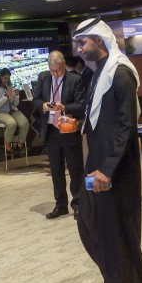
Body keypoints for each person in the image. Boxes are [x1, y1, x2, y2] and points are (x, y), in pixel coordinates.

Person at [73, 18, 142, 283]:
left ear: (100, 40)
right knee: (92, 224)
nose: (79, 49)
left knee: (113, 229)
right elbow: (94, 114)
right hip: (98, 162)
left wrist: (107, 170)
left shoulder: (120, 74)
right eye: (77, 43)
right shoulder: (96, 74)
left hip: (115, 168)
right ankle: (119, 280)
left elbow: (126, 128)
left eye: (83, 43)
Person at [32, 51, 86, 219]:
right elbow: (36, 99)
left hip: (68, 128)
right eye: (52, 70)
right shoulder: (44, 78)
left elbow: (82, 105)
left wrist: (63, 107)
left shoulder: (75, 80)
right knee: (56, 171)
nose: (55, 73)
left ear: (64, 64)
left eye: (58, 70)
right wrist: (44, 106)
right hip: (51, 130)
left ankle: (78, 205)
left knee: (75, 169)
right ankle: (60, 205)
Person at [0, 67, 29, 153]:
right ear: (0, 77)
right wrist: (6, 96)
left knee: (25, 123)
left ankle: (19, 145)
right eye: (5, 78)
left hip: (12, 111)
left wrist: (16, 95)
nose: (7, 80)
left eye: (8, 78)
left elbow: (15, 104)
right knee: (12, 124)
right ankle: (8, 147)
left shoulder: (9, 86)